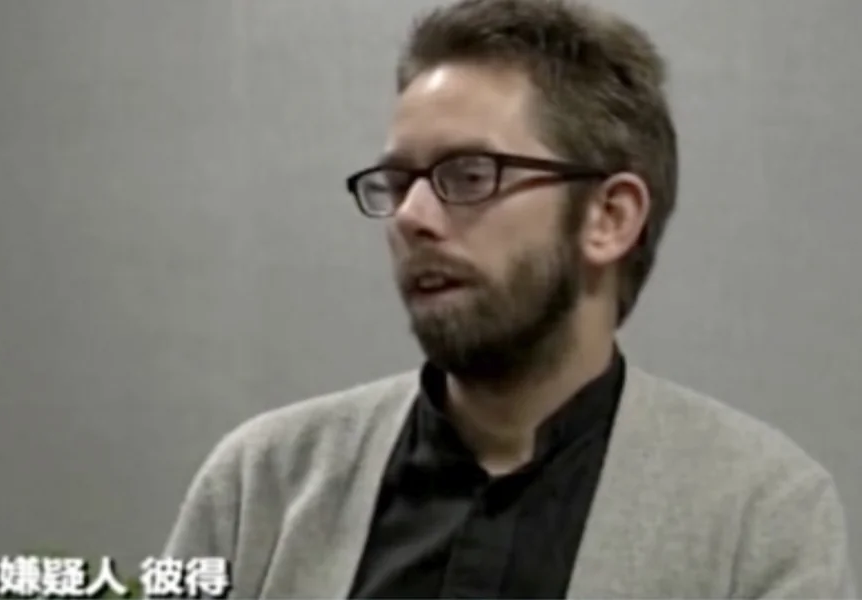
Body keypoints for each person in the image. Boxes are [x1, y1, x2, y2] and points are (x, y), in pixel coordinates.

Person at [160, 0, 855, 597]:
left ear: (609, 217)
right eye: (399, 182)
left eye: (469, 174)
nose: (411, 216)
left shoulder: (760, 514)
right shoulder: (261, 484)